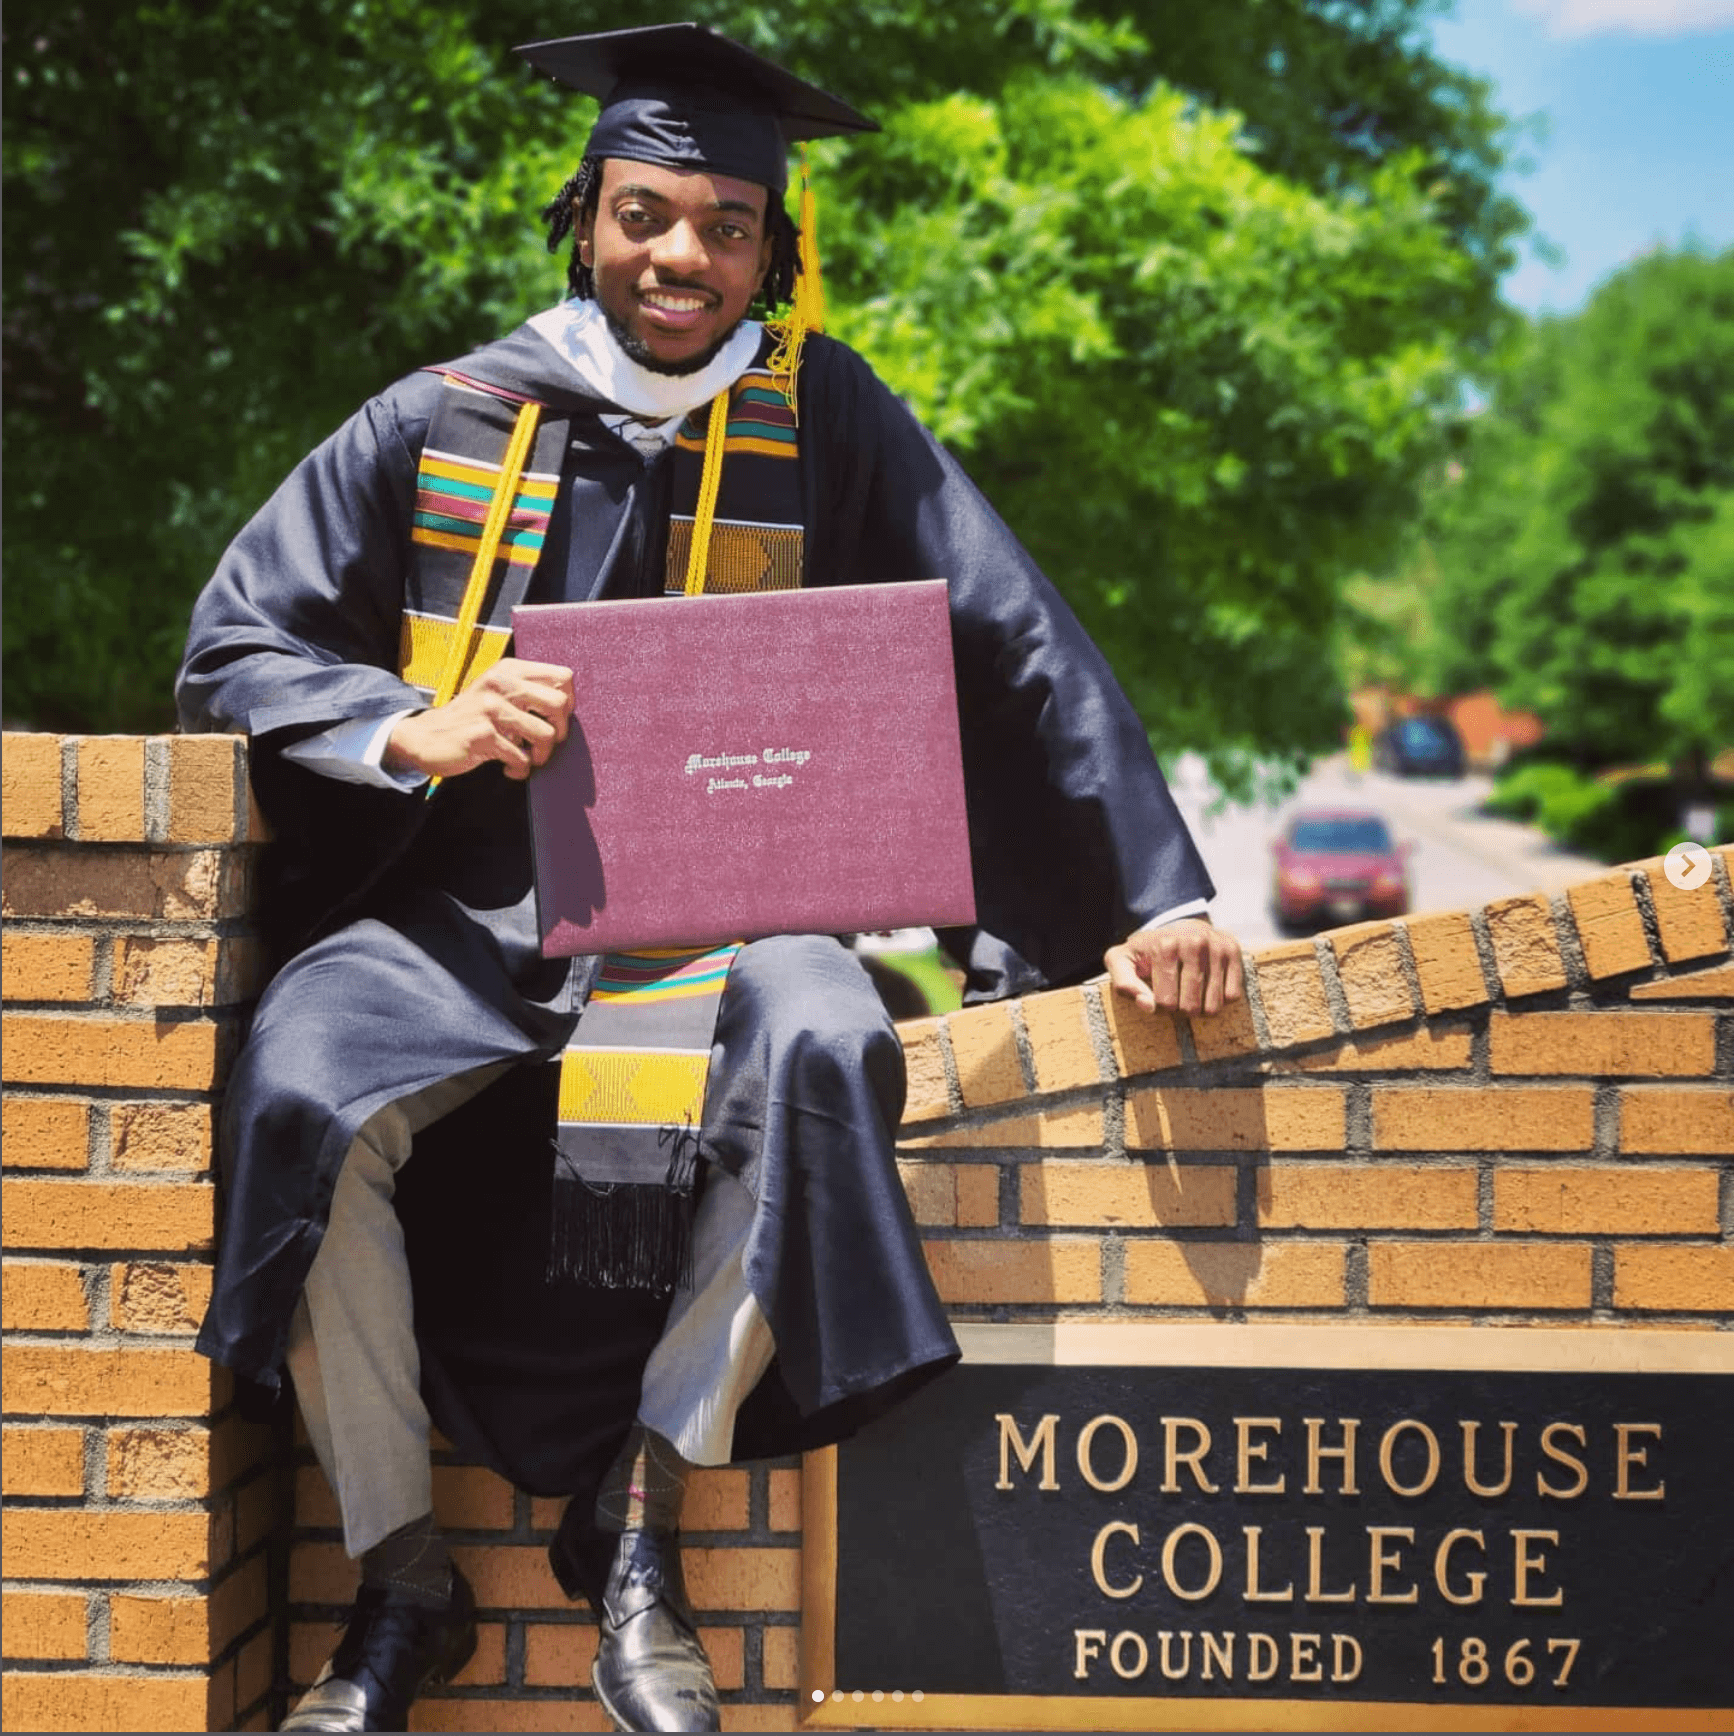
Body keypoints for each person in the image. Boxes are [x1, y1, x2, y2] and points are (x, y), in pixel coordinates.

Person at [176, 22, 1243, 1734]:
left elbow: (1009, 631)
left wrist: (1155, 898)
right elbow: (235, 647)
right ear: (583, 218)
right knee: (303, 1085)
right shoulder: (443, 418)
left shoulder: (823, 414)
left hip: (729, 918)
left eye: (726, 225)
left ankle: (643, 1528)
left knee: (829, 1040)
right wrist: (413, 723)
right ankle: (402, 1580)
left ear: (774, 247)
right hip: (461, 922)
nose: (682, 257)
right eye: (646, 214)